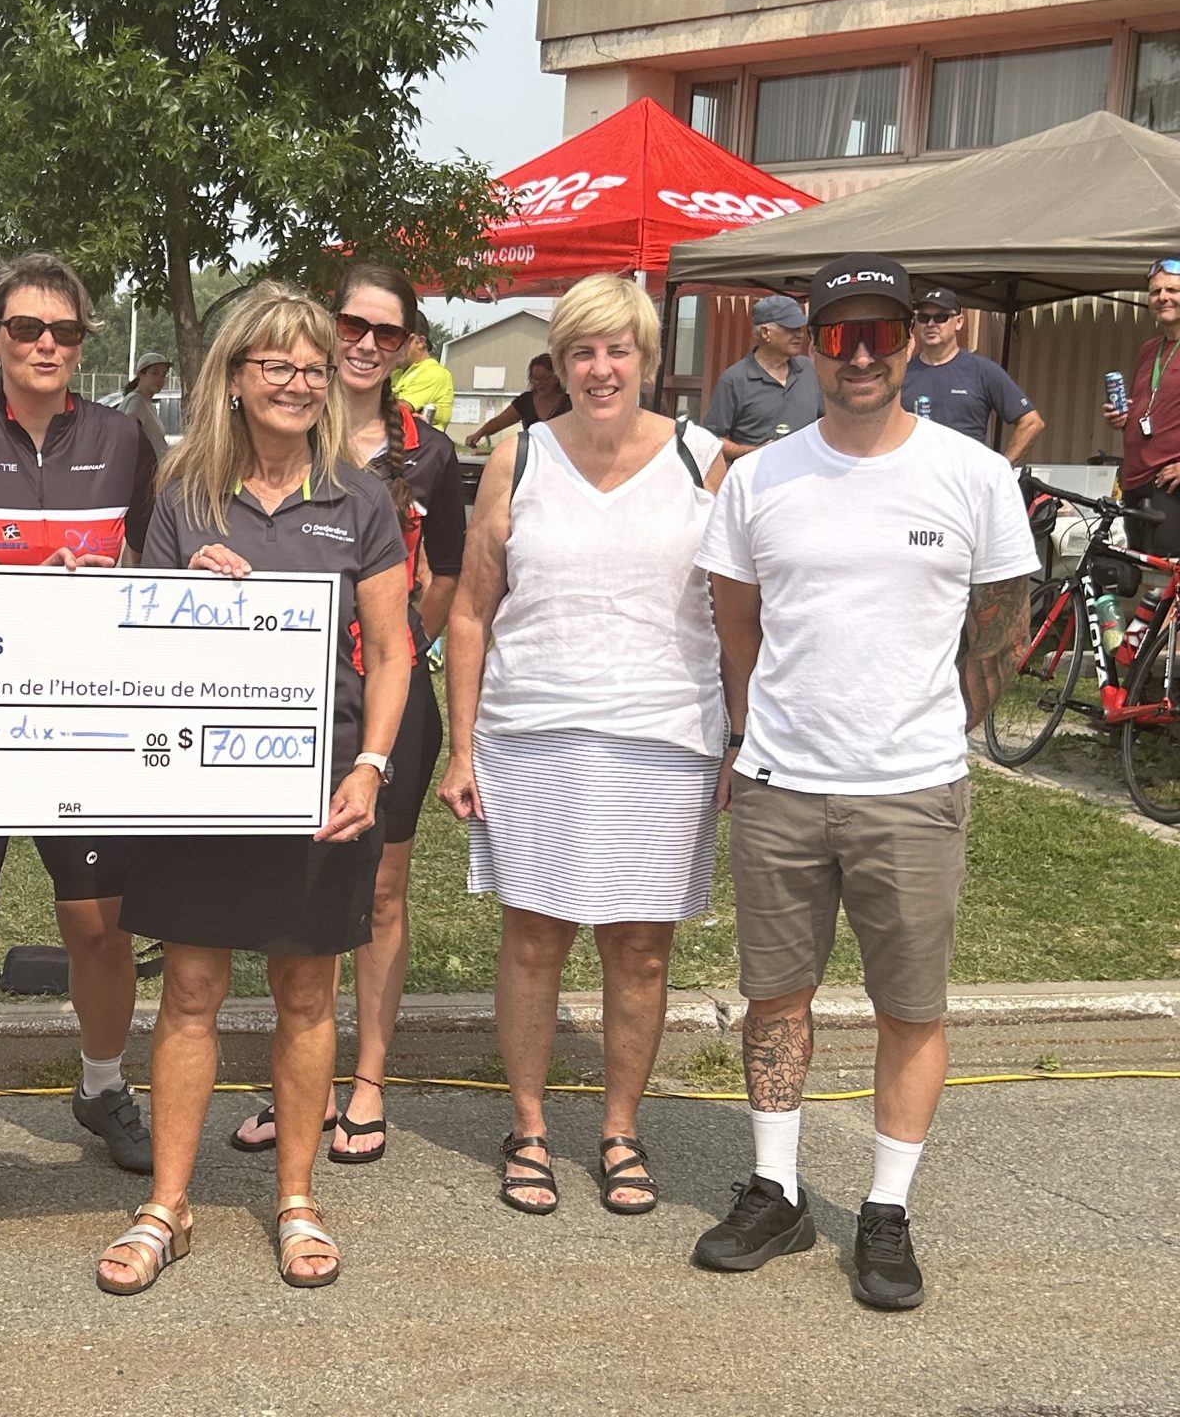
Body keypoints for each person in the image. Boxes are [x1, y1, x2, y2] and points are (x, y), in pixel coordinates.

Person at [692, 252, 1035, 1311]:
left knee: (909, 1008)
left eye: (880, 333)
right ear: (812, 346)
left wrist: (930, 731)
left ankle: (885, 1210)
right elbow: (735, 622)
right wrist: (750, 730)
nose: (859, 355)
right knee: (774, 998)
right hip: (781, 783)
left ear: (910, 340)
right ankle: (776, 1190)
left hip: (912, 789)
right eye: (838, 335)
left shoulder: (972, 475)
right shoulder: (760, 478)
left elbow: (1002, 628)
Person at [93, 282, 410, 1296]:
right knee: (189, 991)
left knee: (305, 993)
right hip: (201, 783)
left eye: (313, 367)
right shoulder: (183, 493)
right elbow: (137, 642)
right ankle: (166, 1205)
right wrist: (185, 594)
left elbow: (394, 652)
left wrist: (370, 767)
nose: (298, 383)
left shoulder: (358, 497)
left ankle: (296, 1198)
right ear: (234, 376)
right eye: (276, 364)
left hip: (319, 783)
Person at [436, 274, 726, 1218]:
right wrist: (462, 749)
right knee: (535, 938)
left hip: (667, 736)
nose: (601, 370)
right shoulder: (516, 456)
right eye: (582, 353)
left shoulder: (703, 461)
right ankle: (527, 1128)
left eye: (618, 351)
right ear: (559, 365)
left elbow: (741, 613)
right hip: (533, 733)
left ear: (648, 360)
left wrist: (740, 739)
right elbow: (471, 612)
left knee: (640, 949)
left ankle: (619, 1128)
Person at [0, 252, 161, 1214]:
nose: (45, 345)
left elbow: (158, 556)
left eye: (64, 332)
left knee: (100, 926)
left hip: (86, 716)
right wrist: (9, 590)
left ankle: (103, 1085)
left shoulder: (122, 435)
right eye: (26, 329)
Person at [229, 262, 463, 1163]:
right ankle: (305, 1081)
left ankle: (366, 1079)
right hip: (285, 696)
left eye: (386, 333)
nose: (365, 344)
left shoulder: (430, 452)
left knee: (383, 890)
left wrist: (392, 646)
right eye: (352, 327)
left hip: (387, 699)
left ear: (407, 346)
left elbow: (446, 576)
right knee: (292, 887)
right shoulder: (280, 425)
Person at [903, 287, 1044, 463]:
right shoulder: (902, 373)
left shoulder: (982, 371)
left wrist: (1002, 469)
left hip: (966, 477)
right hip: (914, 475)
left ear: (959, 322)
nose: (931, 324)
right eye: (924, 318)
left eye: (941, 317)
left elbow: (1031, 423)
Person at [1104, 259, 1180, 559]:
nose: (1162, 297)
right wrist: (1123, 417)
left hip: (1169, 483)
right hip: (1135, 477)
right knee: (1137, 570)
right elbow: (1149, 405)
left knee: (1168, 571)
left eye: (1172, 290)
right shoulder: (1150, 349)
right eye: (1155, 292)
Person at [700, 295, 822, 461]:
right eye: (790, 328)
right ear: (765, 332)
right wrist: (754, 452)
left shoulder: (810, 369)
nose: (800, 334)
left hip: (808, 474)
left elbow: (829, 422)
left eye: (801, 328)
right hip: (755, 476)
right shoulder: (734, 380)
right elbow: (710, 441)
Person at [466, 353, 569, 446]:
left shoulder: (570, 403)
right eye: (535, 378)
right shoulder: (525, 401)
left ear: (557, 377)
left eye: (545, 378)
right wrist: (479, 434)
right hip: (530, 455)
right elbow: (499, 422)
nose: (539, 383)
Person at [390, 310, 454, 429]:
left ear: (420, 342)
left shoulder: (434, 373)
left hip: (423, 440)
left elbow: (399, 408)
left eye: (401, 340)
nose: (394, 346)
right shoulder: (396, 373)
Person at [120, 350, 172, 452]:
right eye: (154, 373)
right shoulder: (137, 401)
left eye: (163, 374)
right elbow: (128, 433)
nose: (160, 379)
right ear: (141, 375)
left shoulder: (147, 403)